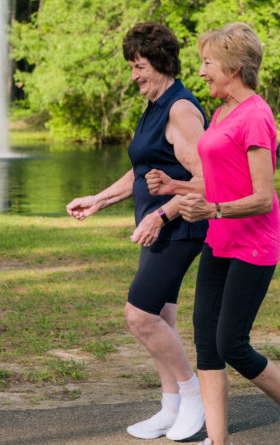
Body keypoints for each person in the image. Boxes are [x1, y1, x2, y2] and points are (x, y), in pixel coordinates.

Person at [148, 22, 280, 445]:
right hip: (221, 240)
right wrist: (176, 188)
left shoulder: (255, 115)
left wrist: (212, 209)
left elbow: (263, 197)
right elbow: (220, 182)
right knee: (208, 347)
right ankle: (218, 442)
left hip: (254, 245)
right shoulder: (221, 113)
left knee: (232, 344)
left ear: (233, 66)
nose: (201, 71)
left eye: (208, 62)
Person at [66, 22, 209, 441]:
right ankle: (171, 408)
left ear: (162, 62)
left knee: (140, 315)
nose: (134, 76)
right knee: (161, 317)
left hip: (180, 229)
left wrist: (160, 216)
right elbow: (142, 171)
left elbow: (206, 178)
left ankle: (193, 396)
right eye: (132, 66)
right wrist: (99, 200)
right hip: (158, 230)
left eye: (139, 66)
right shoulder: (155, 104)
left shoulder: (181, 109)